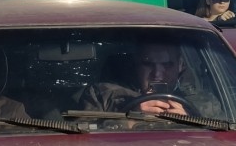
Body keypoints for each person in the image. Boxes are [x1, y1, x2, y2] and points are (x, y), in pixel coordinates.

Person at [78, 40, 219, 117]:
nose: (157, 74)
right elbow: (84, 143)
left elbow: (221, 141)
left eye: (167, 65)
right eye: (148, 64)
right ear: (136, 65)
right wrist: (130, 117)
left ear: (181, 65)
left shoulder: (205, 103)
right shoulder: (102, 96)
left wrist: (191, 123)